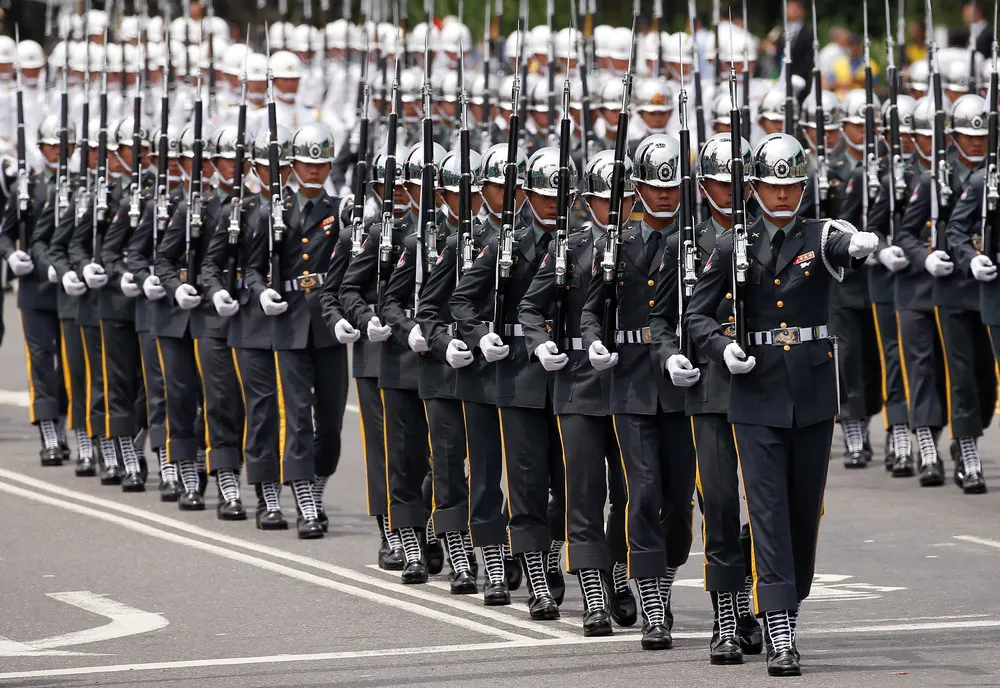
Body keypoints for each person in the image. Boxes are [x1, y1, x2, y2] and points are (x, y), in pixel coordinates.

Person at [684, 133, 878, 676]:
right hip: (755, 391)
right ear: (755, 189)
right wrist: (723, 348)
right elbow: (697, 317)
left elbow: (842, 247)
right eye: (773, 185)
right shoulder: (732, 245)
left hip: (813, 394)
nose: (783, 195)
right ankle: (780, 630)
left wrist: (858, 243)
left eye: (792, 185)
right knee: (766, 512)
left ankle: (790, 599)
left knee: (801, 513)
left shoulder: (820, 235)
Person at [580, 134, 697, 651]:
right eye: (655, 186)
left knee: (678, 500)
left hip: (681, 383)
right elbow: (588, 309)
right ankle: (652, 600)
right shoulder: (615, 244)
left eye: (673, 187)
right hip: (629, 381)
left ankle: (664, 576)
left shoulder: (694, 243)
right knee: (642, 491)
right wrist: (593, 343)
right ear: (638, 189)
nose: (666, 196)